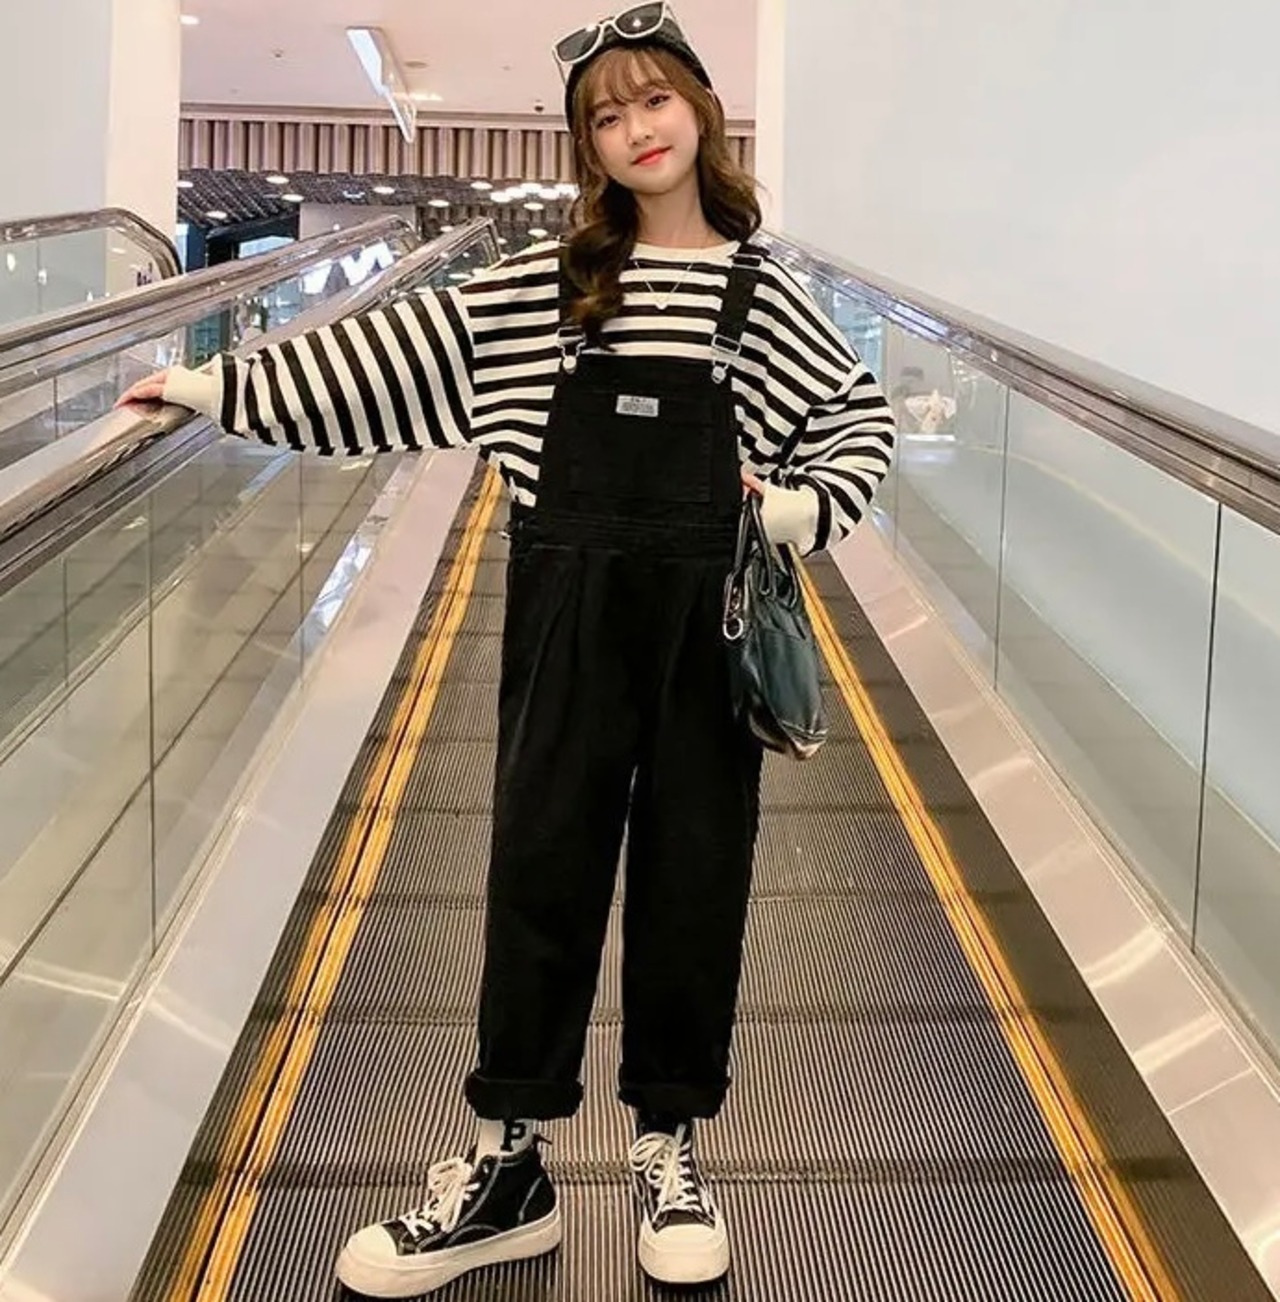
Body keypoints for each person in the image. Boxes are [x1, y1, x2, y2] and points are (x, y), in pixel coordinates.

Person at [120, 4, 895, 1296]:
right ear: (588, 146)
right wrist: (217, 387)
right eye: (606, 116)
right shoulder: (552, 288)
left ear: (701, 109)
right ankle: (511, 1162)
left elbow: (855, 418)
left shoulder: (762, 296)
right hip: (563, 616)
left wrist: (802, 511)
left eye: (654, 100)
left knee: (697, 877)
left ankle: (670, 1147)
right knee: (541, 867)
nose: (636, 130)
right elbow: (386, 359)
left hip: (706, 631)